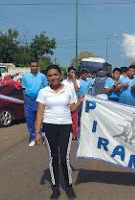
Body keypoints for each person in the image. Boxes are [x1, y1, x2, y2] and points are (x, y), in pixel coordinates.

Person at [35, 65, 82, 200]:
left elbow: (72, 108)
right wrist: (37, 133)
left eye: (55, 74)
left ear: (60, 75)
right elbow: (40, 113)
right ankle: (55, 188)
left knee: (64, 158)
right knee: (53, 158)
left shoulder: (69, 89)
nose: (53, 77)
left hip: (65, 127)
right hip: (49, 127)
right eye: (50, 75)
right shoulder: (43, 92)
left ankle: (68, 186)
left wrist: (79, 101)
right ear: (47, 78)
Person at [22, 61, 48, 147]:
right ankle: (33, 138)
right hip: (28, 101)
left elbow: (46, 89)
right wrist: (25, 99)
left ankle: (42, 137)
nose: (34, 68)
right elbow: (23, 89)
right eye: (33, 66)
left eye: (36, 66)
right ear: (30, 66)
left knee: (41, 121)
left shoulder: (42, 77)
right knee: (30, 121)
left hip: (39, 102)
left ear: (38, 67)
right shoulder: (25, 77)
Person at [62, 67, 80, 142]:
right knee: (65, 120)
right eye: (71, 72)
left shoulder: (77, 81)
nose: (72, 74)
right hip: (65, 104)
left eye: (73, 72)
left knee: (74, 120)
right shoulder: (63, 82)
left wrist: (74, 80)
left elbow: (76, 89)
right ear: (68, 73)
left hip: (74, 104)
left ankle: (74, 135)